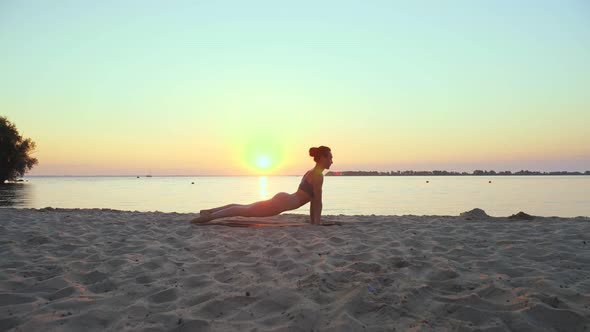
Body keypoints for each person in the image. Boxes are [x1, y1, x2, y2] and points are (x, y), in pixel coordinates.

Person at [190, 146, 333, 225]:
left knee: (245, 207)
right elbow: (317, 202)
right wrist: (317, 223)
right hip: (282, 203)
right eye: (330, 157)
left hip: (284, 199)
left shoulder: (311, 172)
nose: (331, 161)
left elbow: (314, 202)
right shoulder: (318, 176)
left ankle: (210, 211)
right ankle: (208, 217)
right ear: (322, 158)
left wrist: (314, 221)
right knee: (245, 210)